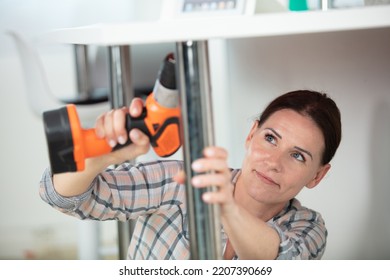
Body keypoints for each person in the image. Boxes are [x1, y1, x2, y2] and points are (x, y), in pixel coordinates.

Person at [39, 89, 342, 260]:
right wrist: (100, 157)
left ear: (317, 176)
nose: (274, 162)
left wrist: (225, 207)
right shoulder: (179, 182)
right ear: (251, 135)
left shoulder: (308, 228)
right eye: (271, 139)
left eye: (298, 156)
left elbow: (281, 262)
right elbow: (62, 196)